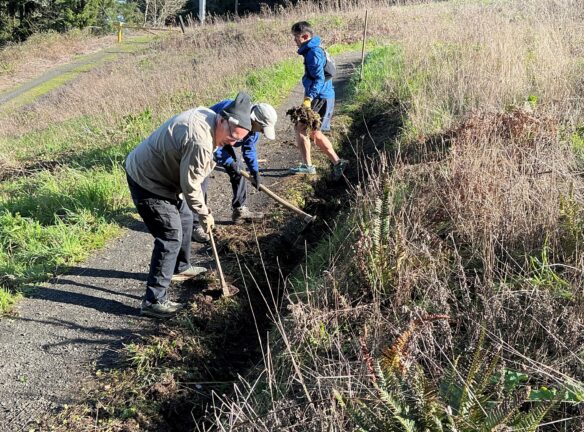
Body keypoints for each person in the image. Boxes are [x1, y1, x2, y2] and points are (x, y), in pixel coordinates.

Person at [125, 92, 253, 318]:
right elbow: (191, 186)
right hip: (148, 181)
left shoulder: (210, 117)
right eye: (232, 137)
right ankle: (154, 301)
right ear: (223, 120)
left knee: (185, 219)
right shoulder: (201, 142)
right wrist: (205, 214)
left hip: (165, 176)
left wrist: (199, 212)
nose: (232, 143)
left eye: (238, 140)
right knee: (170, 236)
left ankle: (181, 267)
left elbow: (191, 181)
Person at [191, 100, 278, 243]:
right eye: (262, 128)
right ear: (254, 119)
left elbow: (249, 148)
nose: (262, 132)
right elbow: (215, 146)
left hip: (224, 139)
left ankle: (239, 209)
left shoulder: (253, 128)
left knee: (239, 169)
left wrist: (254, 170)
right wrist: (229, 162)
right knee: (201, 180)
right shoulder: (233, 115)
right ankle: (195, 225)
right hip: (205, 137)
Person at [289, 21, 348, 179]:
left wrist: (309, 97)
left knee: (300, 128)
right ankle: (337, 162)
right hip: (323, 96)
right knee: (315, 132)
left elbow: (319, 79)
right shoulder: (313, 49)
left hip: (319, 97)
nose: (294, 40)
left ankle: (308, 167)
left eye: (296, 37)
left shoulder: (313, 53)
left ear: (305, 36)